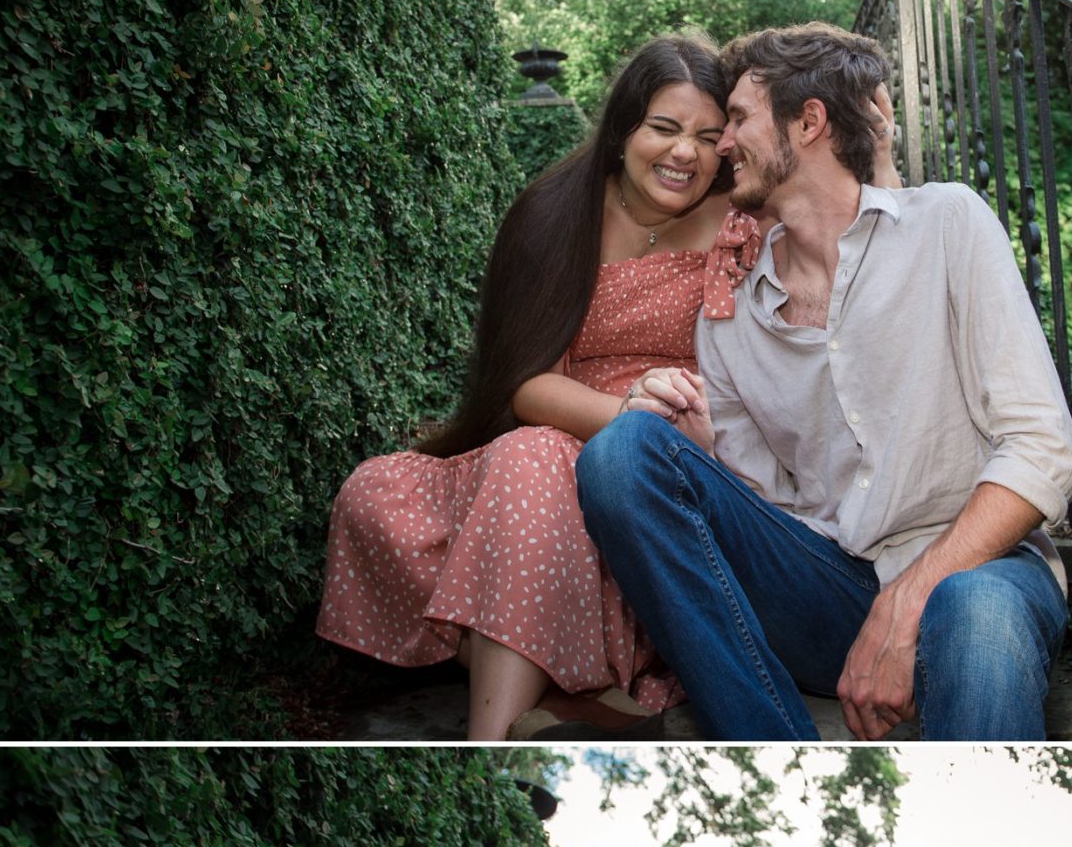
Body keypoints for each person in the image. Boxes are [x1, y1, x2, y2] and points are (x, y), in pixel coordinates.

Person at [574, 24, 1072, 743]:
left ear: (808, 121)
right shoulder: (728, 319)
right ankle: (775, 751)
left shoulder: (946, 225)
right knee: (623, 452)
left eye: (741, 120)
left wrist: (907, 601)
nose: (723, 145)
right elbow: (769, 507)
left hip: (984, 568)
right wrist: (701, 455)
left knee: (973, 614)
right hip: (827, 586)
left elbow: (1043, 451)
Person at [315, 36, 759, 739]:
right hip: (563, 425)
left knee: (533, 464)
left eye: (708, 138)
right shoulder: (556, 214)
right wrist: (626, 413)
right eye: (665, 129)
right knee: (376, 494)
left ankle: (488, 745)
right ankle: (561, 695)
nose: (685, 155)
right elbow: (525, 385)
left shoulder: (743, 219)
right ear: (623, 130)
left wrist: (657, 434)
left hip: (673, 457)